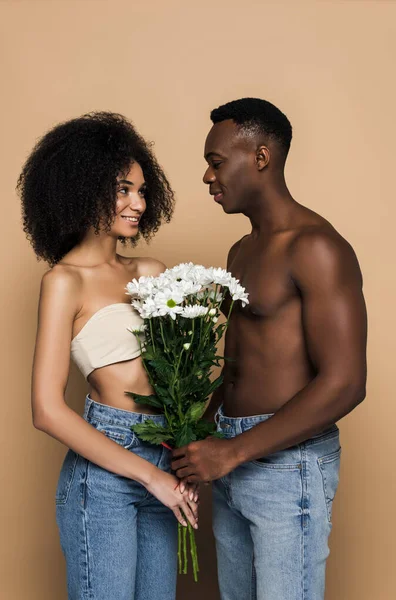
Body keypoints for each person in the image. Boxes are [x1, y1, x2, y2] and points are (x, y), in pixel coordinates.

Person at [172, 98, 367, 600]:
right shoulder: (242, 250)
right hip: (232, 455)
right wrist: (200, 425)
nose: (207, 176)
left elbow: (345, 381)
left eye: (216, 162)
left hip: (287, 463)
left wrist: (232, 451)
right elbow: (241, 359)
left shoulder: (316, 247)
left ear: (260, 157)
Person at [17, 112, 198, 600]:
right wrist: (150, 477)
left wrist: (183, 450)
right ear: (83, 186)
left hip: (163, 457)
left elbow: (182, 369)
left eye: (142, 191)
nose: (137, 203)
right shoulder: (63, 283)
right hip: (103, 474)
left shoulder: (152, 270)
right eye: (123, 189)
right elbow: (46, 410)